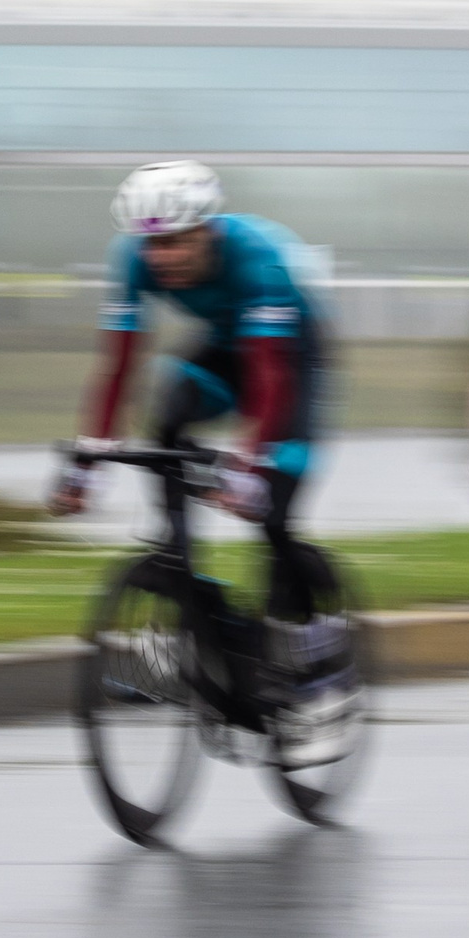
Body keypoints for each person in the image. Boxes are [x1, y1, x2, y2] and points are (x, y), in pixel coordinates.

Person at [53, 159, 339, 672]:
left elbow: (269, 378)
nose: (160, 257)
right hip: (226, 346)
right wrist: (88, 460)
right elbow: (119, 363)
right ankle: (181, 574)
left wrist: (252, 465)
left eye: (176, 242)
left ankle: (310, 632)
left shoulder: (257, 256)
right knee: (169, 406)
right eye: (152, 244)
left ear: (207, 231)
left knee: (272, 507)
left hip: (292, 356)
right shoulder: (132, 257)